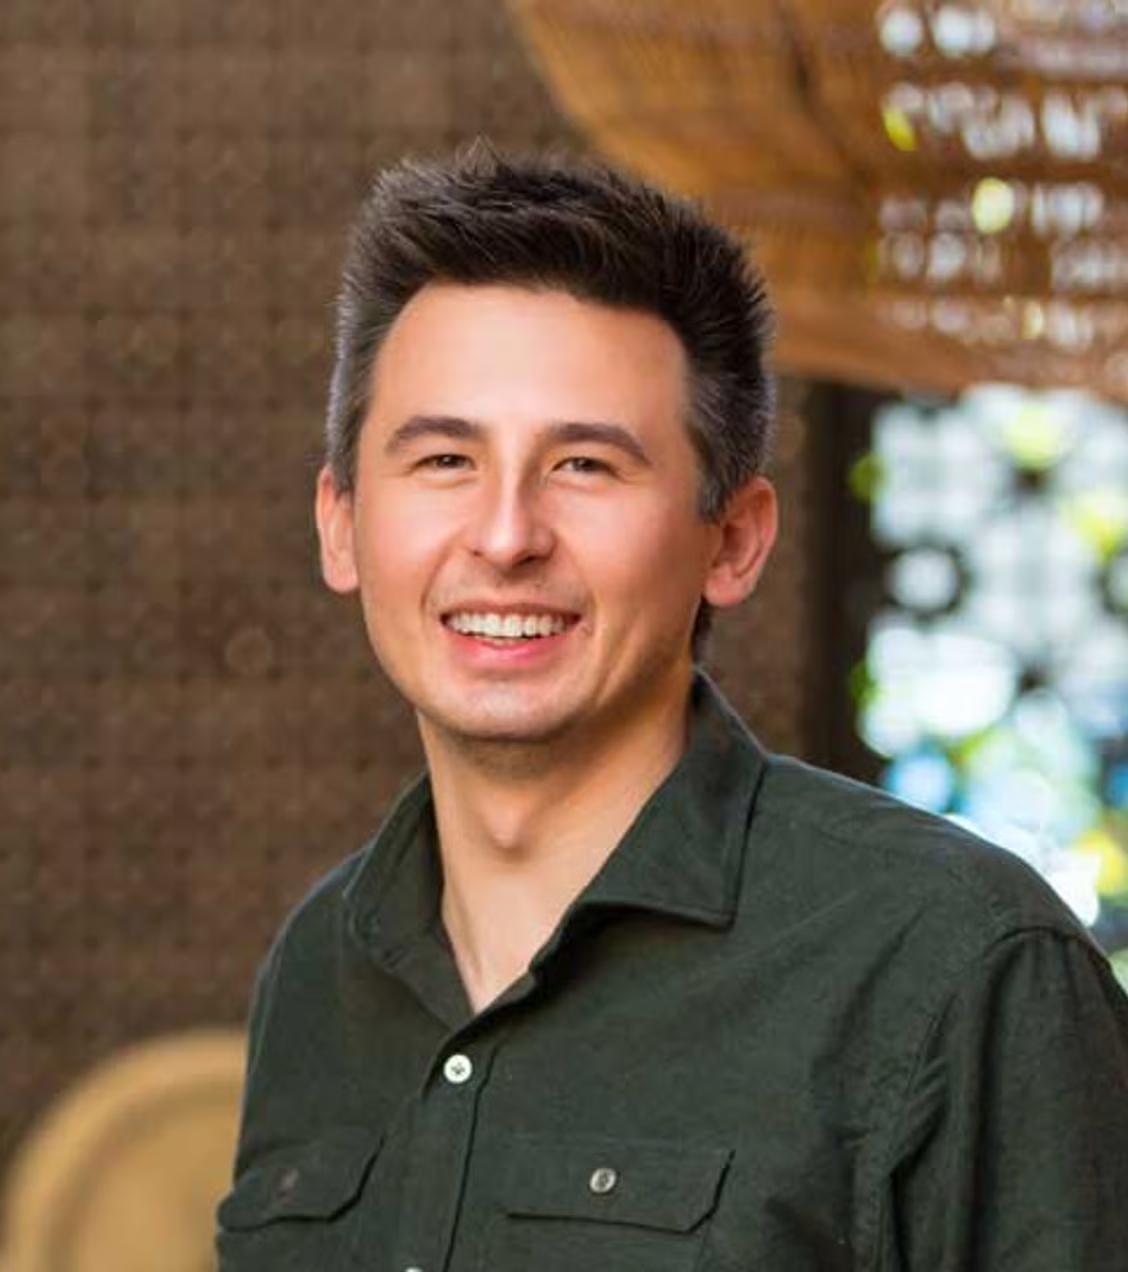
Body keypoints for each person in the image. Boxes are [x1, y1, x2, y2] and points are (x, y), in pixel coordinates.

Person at [216, 143, 1128, 1271]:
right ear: (341, 523)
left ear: (733, 541)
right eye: (446, 459)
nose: (506, 536)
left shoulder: (959, 965)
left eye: (587, 466)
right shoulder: (319, 970)